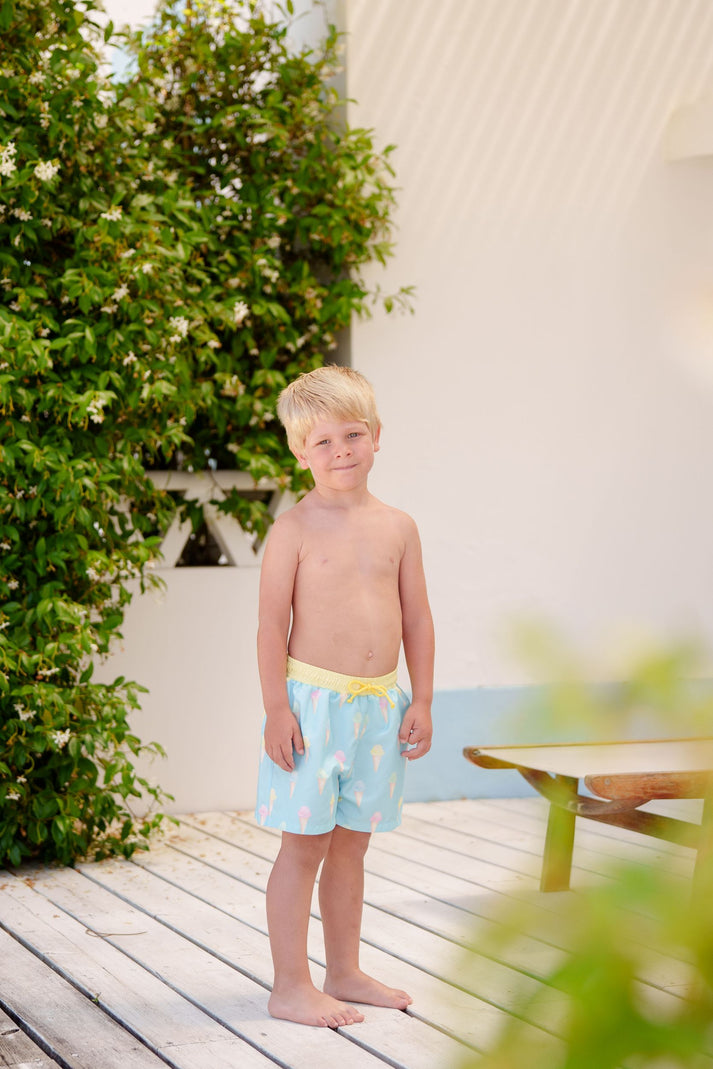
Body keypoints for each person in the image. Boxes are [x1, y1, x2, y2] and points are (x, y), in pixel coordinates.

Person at [255, 364, 434, 1029]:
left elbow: (417, 618)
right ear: (300, 452)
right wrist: (277, 708)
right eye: (322, 442)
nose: (340, 452)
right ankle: (289, 986)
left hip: (379, 707)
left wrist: (422, 699)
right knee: (303, 846)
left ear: (376, 435)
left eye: (352, 435)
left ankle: (344, 970)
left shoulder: (398, 526)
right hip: (313, 709)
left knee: (353, 844)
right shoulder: (293, 529)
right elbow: (270, 624)